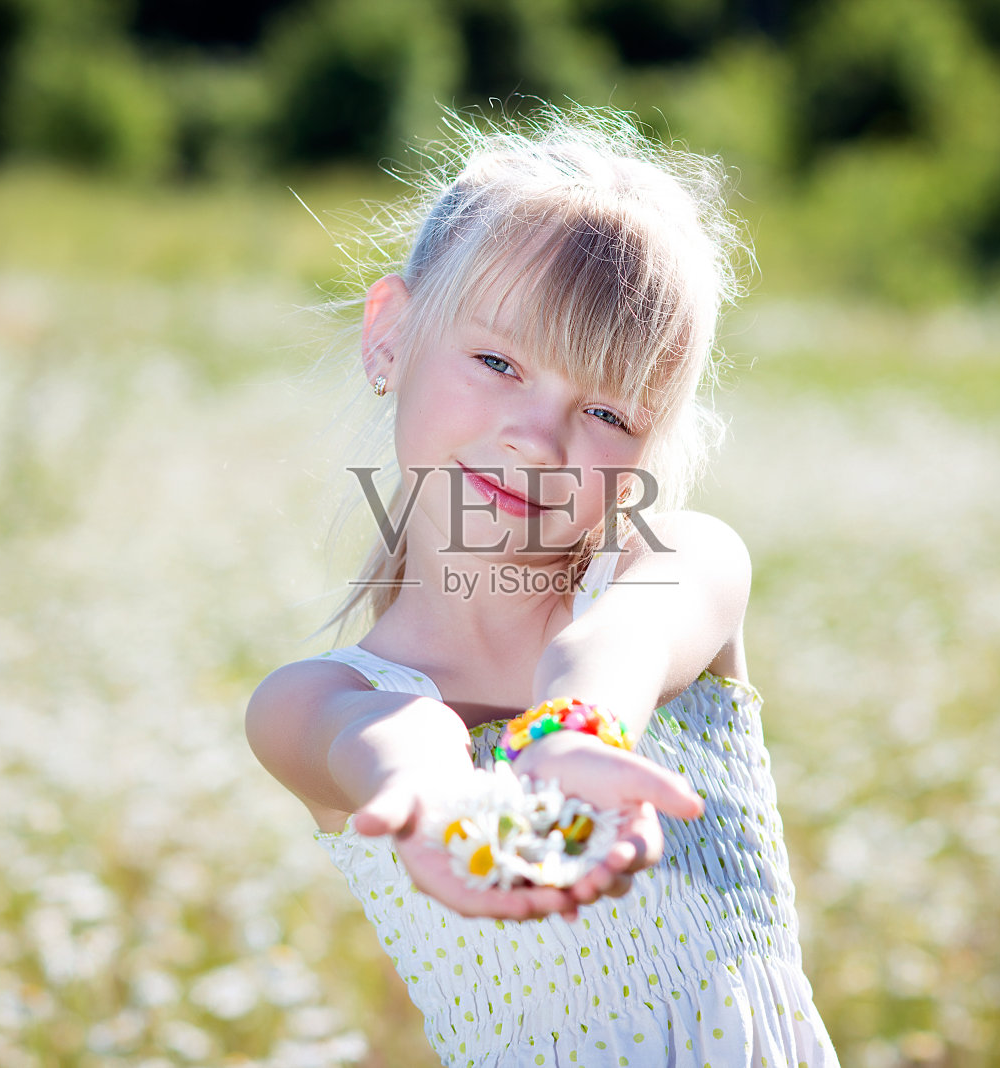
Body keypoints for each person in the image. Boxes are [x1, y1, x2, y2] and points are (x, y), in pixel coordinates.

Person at [246, 107, 838, 1068]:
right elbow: (401, 741)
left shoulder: (677, 561)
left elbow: (619, 644)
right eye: (497, 362)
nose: (540, 438)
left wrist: (572, 732)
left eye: (606, 410)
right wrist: (449, 810)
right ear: (390, 337)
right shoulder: (312, 702)